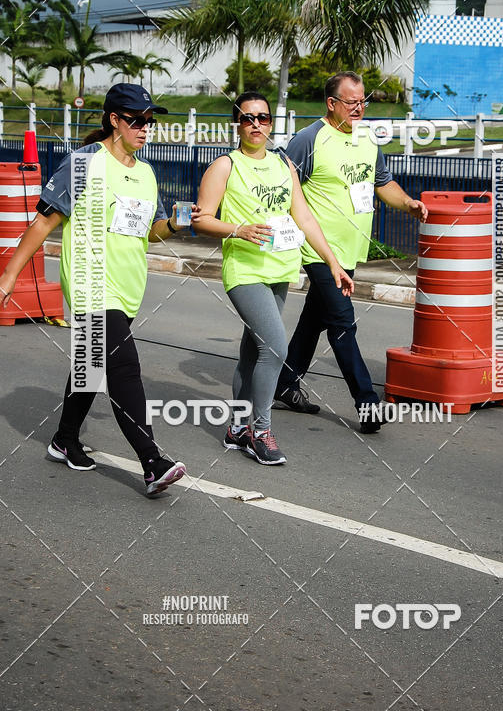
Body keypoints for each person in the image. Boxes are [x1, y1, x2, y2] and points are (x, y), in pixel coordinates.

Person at [0, 83, 187, 496]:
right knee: (123, 366)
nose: (144, 128)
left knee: (92, 368)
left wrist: (173, 225)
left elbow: (148, 233)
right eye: (136, 120)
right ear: (114, 120)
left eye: (149, 121)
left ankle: (64, 439)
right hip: (89, 282)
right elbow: (44, 223)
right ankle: (152, 462)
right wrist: (10, 274)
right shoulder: (84, 163)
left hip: (127, 286)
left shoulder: (146, 173)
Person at [192, 91, 353, 465]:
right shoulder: (225, 166)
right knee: (275, 349)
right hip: (244, 272)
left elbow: (305, 218)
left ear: (270, 123)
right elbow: (201, 219)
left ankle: (236, 427)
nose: (256, 125)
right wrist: (239, 230)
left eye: (262, 118)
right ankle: (259, 430)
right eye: (248, 118)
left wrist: (332, 262)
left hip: (280, 271)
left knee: (253, 353)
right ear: (237, 122)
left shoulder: (284, 166)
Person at [274, 71, 428, 434]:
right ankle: (367, 403)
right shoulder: (309, 140)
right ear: (331, 104)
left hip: (351, 250)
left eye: (363, 101)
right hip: (319, 251)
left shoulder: (367, 139)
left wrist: (408, 203)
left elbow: (382, 182)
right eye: (352, 102)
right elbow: (282, 185)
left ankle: (284, 382)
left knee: (315, 320)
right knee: (342, 323)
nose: (359, 108)